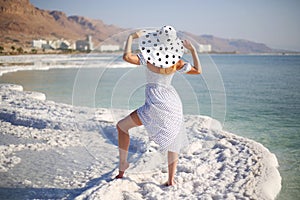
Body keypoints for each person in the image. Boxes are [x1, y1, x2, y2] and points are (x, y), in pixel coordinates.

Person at [116, 25, 202, 186]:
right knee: (174, 140)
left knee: (122, 127)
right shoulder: (176, 62)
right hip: (172, 101)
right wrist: (192, 51)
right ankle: (171, 180)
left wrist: (131, 37)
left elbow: (126, 57)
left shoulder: (148, 57)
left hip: (154, 103)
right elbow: (198, 70)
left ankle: (122, 166)